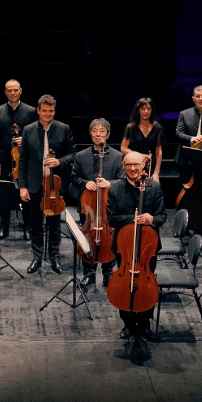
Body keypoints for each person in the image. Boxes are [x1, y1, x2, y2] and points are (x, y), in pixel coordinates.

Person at [108, 151, 166, 340]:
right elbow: (111, 218)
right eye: (129, 165)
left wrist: (151, 219)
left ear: (144, 166)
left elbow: (162, 216)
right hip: (123, 247)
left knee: (146, 286)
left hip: (147, 248)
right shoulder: (115, 189)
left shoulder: (154, 188)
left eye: (136, 165)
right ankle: (127, 324)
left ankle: (145, 324)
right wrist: (131, 219)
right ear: (123, 166)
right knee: (124, 286)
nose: (133, 169)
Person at [17, 94, 76, 275]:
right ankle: (36, 258)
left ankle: (54, 258)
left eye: (51, 111)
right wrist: (22, 186)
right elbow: (23, 160)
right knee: (36, 224)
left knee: (54, 224)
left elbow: (72, 154)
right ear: (38, 111)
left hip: (55, 185)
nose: (48, 114)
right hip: (35, 184)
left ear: (54, 111)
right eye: (45, 111)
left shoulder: (63, 129)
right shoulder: (28, 130)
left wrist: (59, 162)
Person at [72, 119, 125, 288]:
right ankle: (89, 272)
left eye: (102, 131)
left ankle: (108, 272)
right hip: (88, 208)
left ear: (108, 135)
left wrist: (110, 183)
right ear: (90, 134)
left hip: (109, 207)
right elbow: (74, 177)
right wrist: (84, 183)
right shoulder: (81, 156)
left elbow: (123, 179)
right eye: (95, 131)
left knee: (111, 239)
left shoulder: (118, 157)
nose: (98, 134)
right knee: (87, 237)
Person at [0, 78, 38, 240]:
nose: (12, 93)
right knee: (3, 195)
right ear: (5, 93)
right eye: (9, 90)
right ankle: (4, 228)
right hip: (3, 160)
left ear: (20, 91)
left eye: (15, 90)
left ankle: (28, 227)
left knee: (25, 195)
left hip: (24, 161)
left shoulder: (30, 111)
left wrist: (25, 140)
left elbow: (36, 136)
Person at [120, 97, 165, 182]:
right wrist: (140, 155)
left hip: (150, 166)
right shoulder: (131, 127)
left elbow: (159, 152)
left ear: (152, 110)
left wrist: (156, 173)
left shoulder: (157, 127)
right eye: (143, 108)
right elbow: (123, 148)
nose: (146, 112)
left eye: (149, 109)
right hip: (134, 165)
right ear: (138, 110)